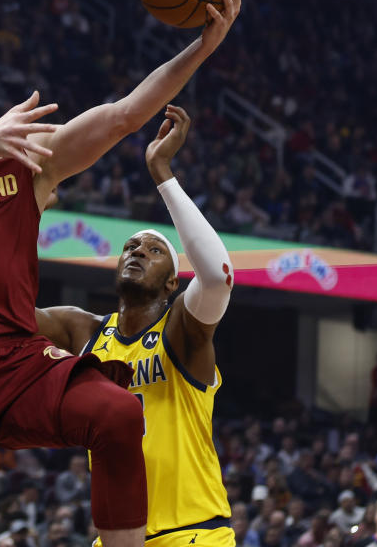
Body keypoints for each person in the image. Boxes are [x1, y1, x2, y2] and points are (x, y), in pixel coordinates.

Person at [0, 0, 242, 547]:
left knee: (117, 413)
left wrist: (203, 46)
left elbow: (123, 115)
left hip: (14, 359)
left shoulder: (29, 156)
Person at [35, 106, 235, 546]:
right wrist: (22, 215)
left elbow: (219, 276)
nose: (138, 250)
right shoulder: (83, 330)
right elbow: (2, 312)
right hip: (117, 538)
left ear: (171, 281)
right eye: (130, 246)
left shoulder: (182, 330)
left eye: (154, 249)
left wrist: (162, 172)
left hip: (192, 533)